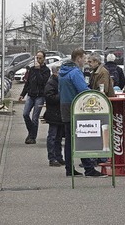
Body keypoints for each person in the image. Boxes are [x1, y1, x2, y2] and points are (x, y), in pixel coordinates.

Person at [59, 48, 106, 177]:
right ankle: (89, 168)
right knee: (82, 138)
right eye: (84, 59)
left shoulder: (62, 71)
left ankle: (70, 168)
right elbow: (83, 90)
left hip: (64, 106)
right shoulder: (75, 72)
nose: (85, 62)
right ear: (78, 58)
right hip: (76, 107)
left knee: (70, 141)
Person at [19, 51, 50, 144]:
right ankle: (31, 132)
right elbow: (28, 83)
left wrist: (38, 70)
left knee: (35, 118)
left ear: (44, 58)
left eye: (40, 58)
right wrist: (22, 94)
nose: (38, 60)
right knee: (25, 114)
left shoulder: (46, 70)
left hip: (40, 96)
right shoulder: (32, 69)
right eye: (37, 58)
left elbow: (42, 82)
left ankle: (32, 137)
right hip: (31, 95)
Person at [44, 65, 65, 167]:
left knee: (58, 137)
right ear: (55, 73)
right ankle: (52, 158)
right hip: (53, 113)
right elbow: (49, 97)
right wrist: (61, 96)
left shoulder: (58, 82)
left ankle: (59, 157)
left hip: (59, 113)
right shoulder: (51, 83)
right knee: (52, 136)